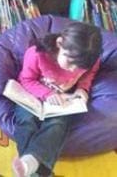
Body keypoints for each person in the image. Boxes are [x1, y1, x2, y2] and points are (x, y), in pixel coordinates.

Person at [12, 21, 102, 177]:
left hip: (62, 99)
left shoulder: (89, 59)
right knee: (25, 121)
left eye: (79, 66)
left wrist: (82, 88)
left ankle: (29, 165)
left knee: (58, 124)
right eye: (70, 62)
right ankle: (38, 170)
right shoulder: (36, 54)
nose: (74, 69)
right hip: (31, 94)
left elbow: (89, 74)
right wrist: (48, 94)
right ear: (59, 43)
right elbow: (27, 80)